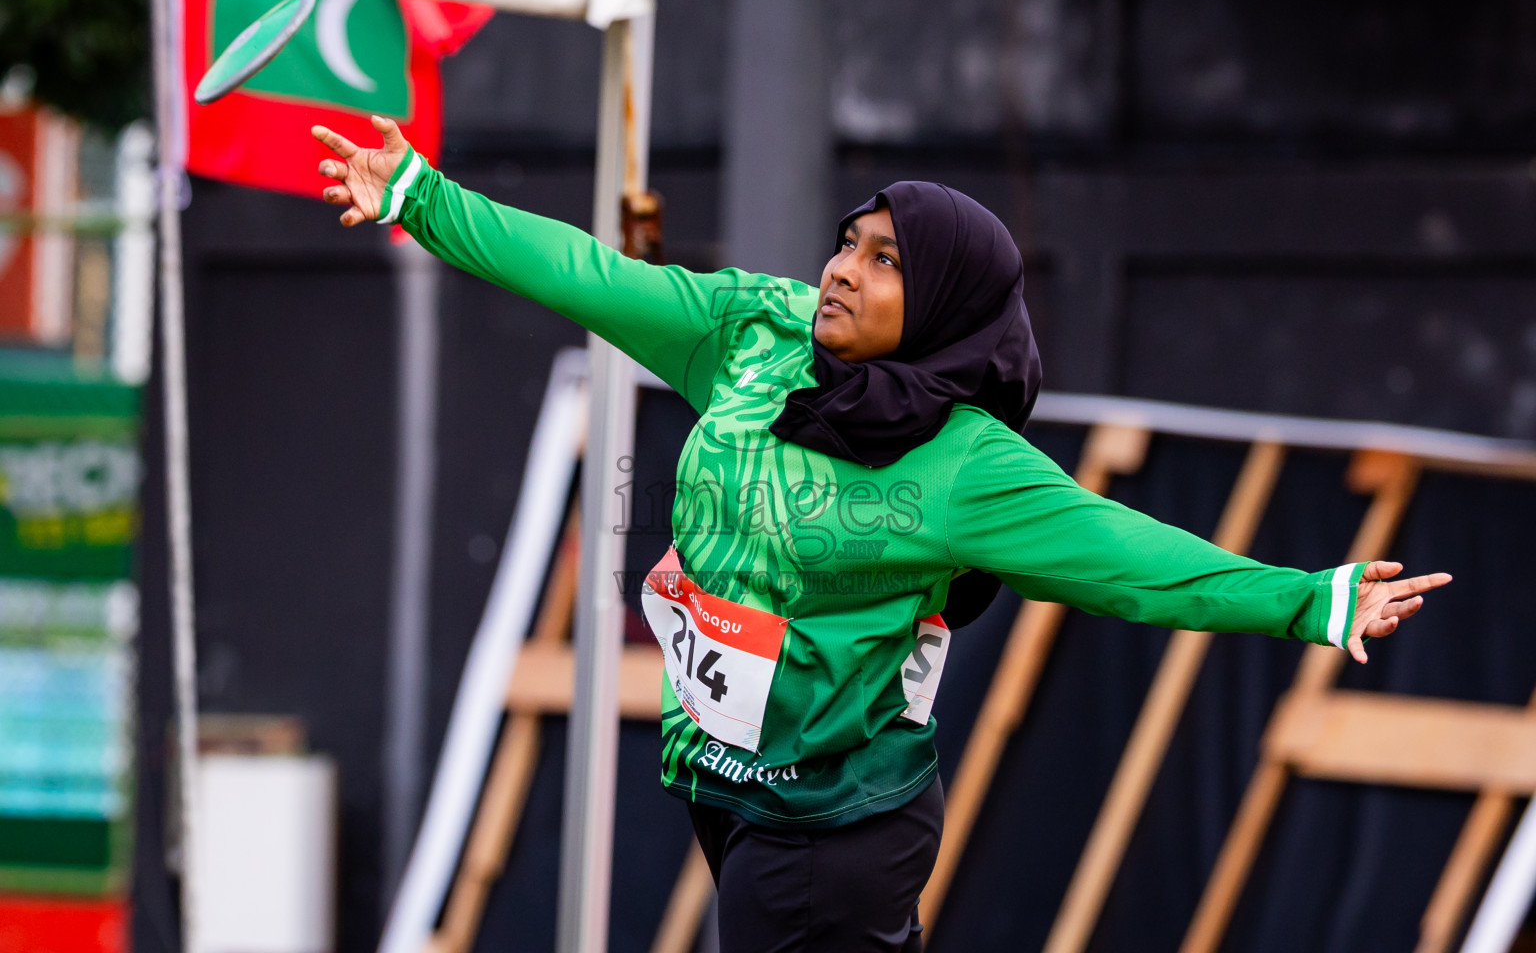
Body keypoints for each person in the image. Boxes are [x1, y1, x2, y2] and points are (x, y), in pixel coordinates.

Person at [313, 115, 1451, 953]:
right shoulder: (753, 337)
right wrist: (421, 195)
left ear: (946, 303)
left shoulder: (963, 464)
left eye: (885, 261)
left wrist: (1310, 598)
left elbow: (1131, 559)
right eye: (848, 242)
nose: (842, 270)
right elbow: (589, 275)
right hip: (727, 776)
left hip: (838, 818)